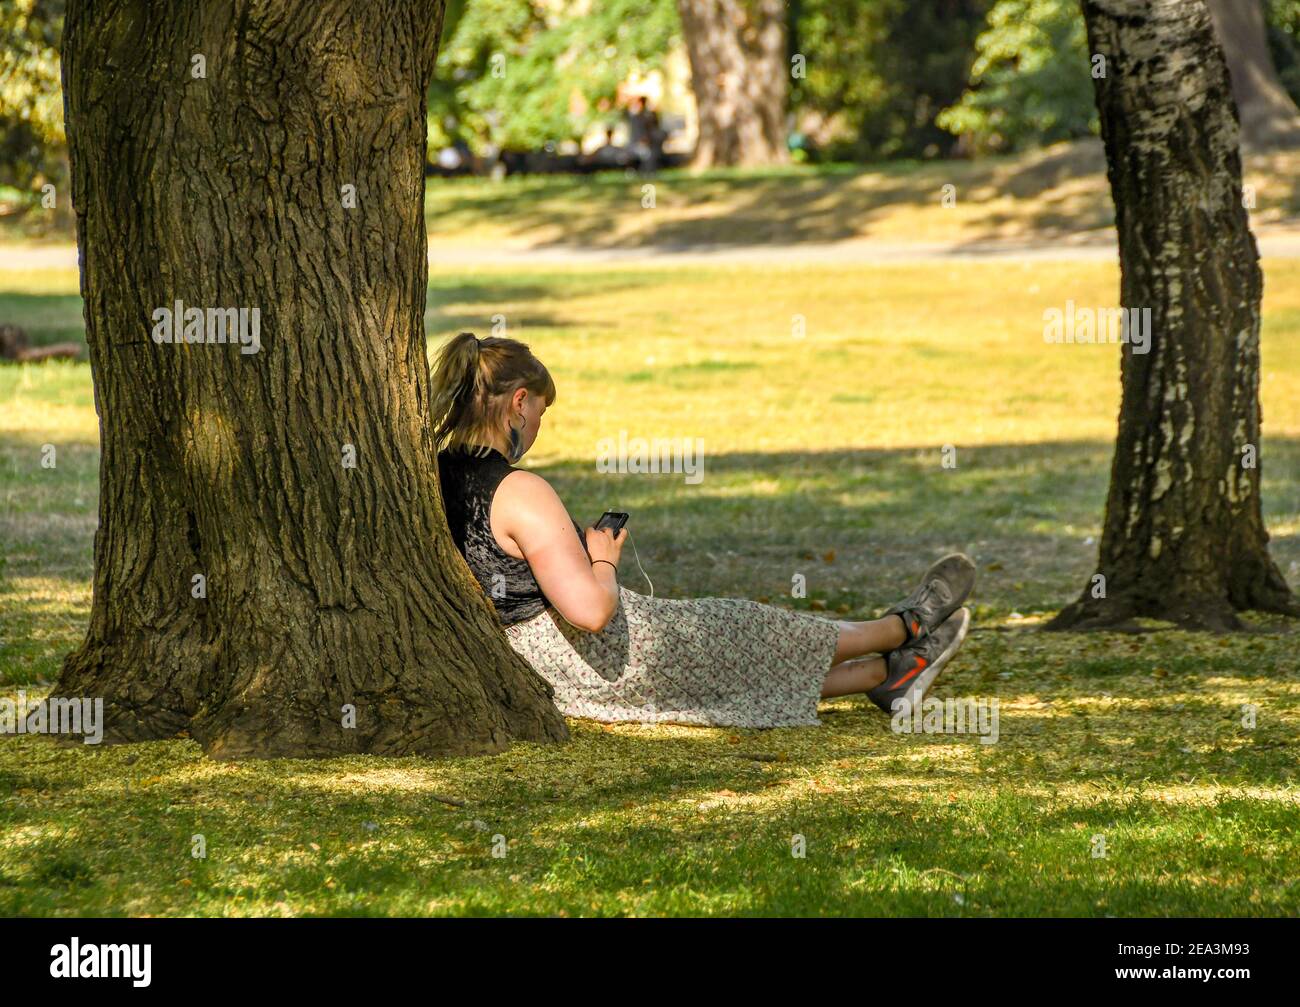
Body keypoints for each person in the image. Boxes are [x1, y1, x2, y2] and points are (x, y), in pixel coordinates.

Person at [432, 332, 974, 728]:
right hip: (580, 652)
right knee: (742, 628)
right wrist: (603, 557)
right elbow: (591, 611)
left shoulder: (434, 474)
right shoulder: (521, 492)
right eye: (541, 413)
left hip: (538, 663)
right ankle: (903, 628)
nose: (539, 428)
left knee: (729, 672)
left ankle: (886, 674)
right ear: (519, 402)